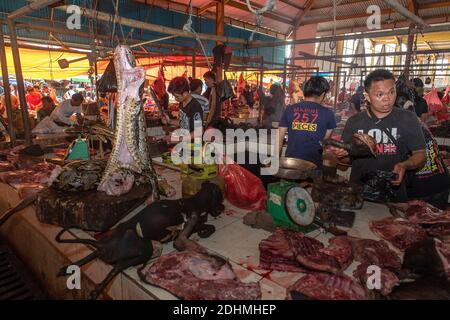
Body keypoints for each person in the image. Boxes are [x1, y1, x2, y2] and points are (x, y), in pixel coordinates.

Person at [328, 69, 426, 203]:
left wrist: (405, 165)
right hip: (359, 195)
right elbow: (346, 162)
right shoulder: (354, 122)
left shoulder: (408, 118)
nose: (387, 98)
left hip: (394, 195)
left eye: (392, 92)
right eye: (379, 94)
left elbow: (420, 155)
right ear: (367, 96)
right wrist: (341, 155)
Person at [396, 92, 450, 209]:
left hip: (424, 189)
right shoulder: (418, 122)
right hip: (441, 182)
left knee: (417, 225)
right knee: (435, 224)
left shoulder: (401, 129)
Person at [278, 76, 337, 167]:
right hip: (314, 166)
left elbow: (279, 138)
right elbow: (325, 139)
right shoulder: (328, 114)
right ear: (322, 94)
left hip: (291, 164)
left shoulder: (290, 109)